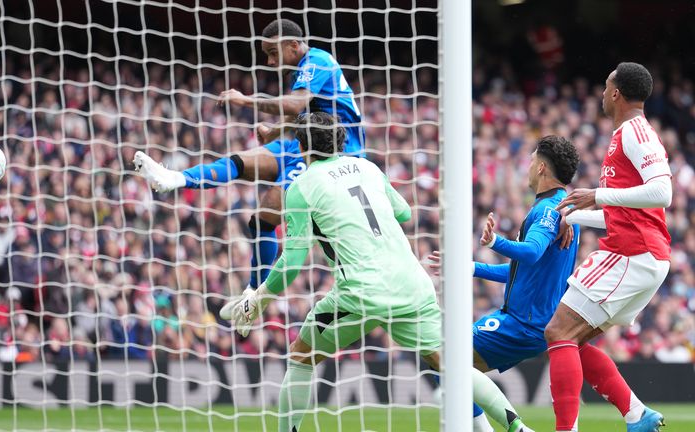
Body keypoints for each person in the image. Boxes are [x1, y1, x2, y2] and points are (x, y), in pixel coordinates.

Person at [220, 112, 530, 432]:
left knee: (301, 356)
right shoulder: (368, 167)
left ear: (300, 146)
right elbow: (404, 212)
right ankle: (517, 426)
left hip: (360, 292)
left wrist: (260, 297)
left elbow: (294, 261)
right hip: (411, 284)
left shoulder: (302, 187)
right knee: (449, 363)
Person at [134, 18, 364, 291]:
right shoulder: (305, 68)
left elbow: (296, 103)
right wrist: (276, 132)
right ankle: (175, 178)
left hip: (331, 156)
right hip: (305, 144)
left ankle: (256, 293)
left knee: (265, 218)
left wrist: (245, 100)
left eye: (273, 53)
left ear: (293, 45)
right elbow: (308, 111)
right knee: (241, 163)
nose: (268, 61)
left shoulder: (317, 61)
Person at [546, 62, 671, 432]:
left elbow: (663, 192)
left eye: (605, 87)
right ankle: (637, 414)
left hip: (633, 253)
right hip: (641, 251)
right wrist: (573, 217)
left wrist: (598, 195)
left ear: (615, 93)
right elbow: (624, 214)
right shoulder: (624, 134)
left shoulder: (637, 133)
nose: (601, 94)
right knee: (573, 341)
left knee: (558, 332)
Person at [429, 135, 580, 432]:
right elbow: (520, 271)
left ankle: (518, 429)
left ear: (541, 168)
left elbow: (532, 252)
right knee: (447, 364)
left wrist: (495, 241)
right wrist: (469, 267)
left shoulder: (549, 210)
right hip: (527, 321)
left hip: (523, 323)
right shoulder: (560, 210)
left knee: (443, 356)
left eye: (532, 159)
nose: (528, 166)